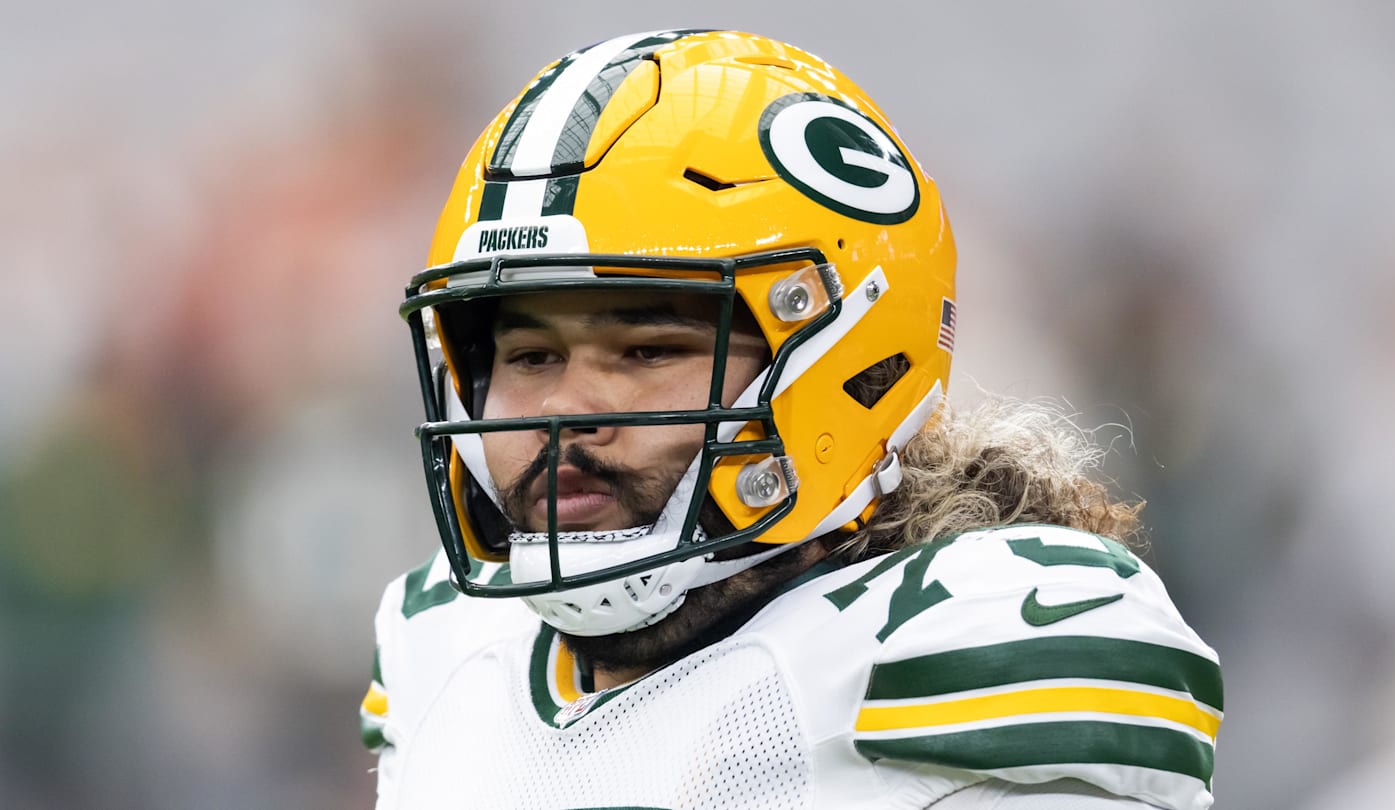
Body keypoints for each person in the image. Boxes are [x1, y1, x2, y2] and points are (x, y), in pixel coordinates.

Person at [361, 29, 1222, 809]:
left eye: (647, 350)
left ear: (848, 364)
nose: (564, 413)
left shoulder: (954, 643)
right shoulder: (441, 646)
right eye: (531, 357)